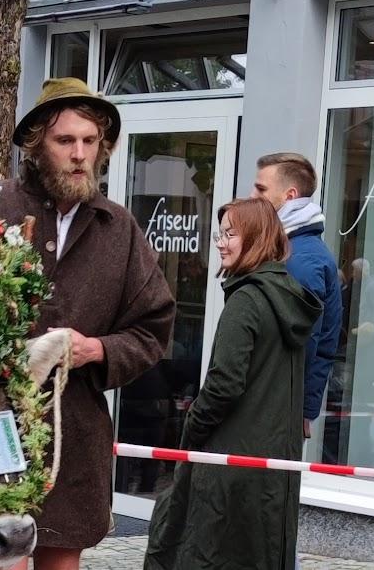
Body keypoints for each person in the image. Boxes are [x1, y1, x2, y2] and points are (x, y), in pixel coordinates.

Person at [0, 78, 175, 570]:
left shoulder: (118, 229)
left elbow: (153, 327)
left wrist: (99, 349)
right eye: (65, 141)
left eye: (89, 141)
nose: (79, 154)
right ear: (37, 147)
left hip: (74, 429)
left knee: (60, 559)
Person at [145, 198, 321, 570]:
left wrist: (193, 425)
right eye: (219, 233)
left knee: (207, 553)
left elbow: (225, 383)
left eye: (230, 234)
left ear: (256, 237)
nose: (220, 243)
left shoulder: (247, 300)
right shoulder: (285, 295)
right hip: (272, 463)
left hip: (230, 461)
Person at [252, 151, 342, 438]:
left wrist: (300, 409)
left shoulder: (299, 259)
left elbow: (305, 344)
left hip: (273, 411)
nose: (253, 195)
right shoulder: (292, 249)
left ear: (290, 195)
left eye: (261, 189)